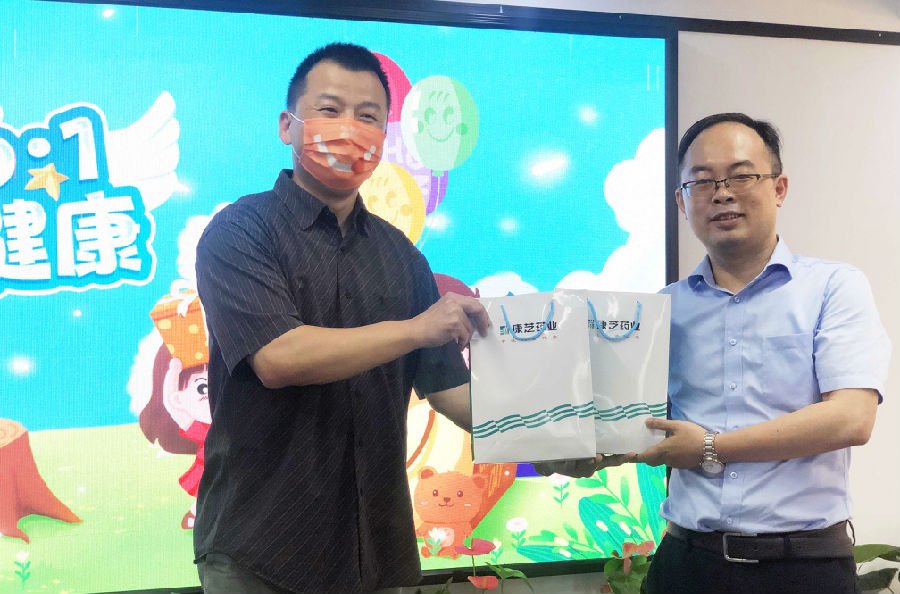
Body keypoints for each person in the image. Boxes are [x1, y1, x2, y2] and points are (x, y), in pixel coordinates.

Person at [192, 42, 489, 594]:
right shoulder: (240, 231)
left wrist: (556, 441)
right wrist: (415, 329)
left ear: (383, 139)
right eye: (329, 110)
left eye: (369, 117)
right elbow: (279, 357)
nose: (350, 129)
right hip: (259, 549)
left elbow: (450, 391)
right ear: (288, 125)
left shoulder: (403, 257)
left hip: (376, 549)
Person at [633, 113, 889, 594]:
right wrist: (571, 449)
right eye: (702, 181)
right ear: (682, 202)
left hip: (804, 568)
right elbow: (635, 420)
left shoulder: (834, 287)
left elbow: (851, 418)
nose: (721, 193)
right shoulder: (659, 310)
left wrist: (711, 447)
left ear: (779, 188)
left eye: (741, 175)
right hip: (686, 565)